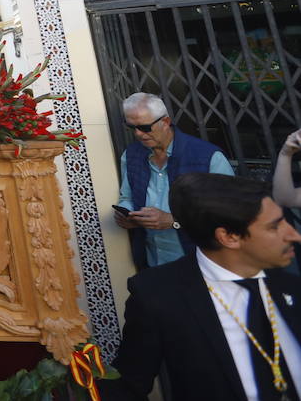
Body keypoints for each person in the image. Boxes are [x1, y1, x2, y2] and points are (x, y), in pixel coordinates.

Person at [103, 172, 301, 401]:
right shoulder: (158, 295)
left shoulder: (291, 284)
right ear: (229, 237)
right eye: (275, 227)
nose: (294, 234)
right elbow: (127, 386)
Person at [114, 92, 233, 269]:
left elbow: (230, 210)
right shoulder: (131, 155)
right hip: (153, 262)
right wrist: (127, 214)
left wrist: (174, 220)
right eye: (132, 128)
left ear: (166, 122)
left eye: (145, 127)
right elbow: (127, 197)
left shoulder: (208, 156)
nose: (138, 134)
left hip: (204, 262)